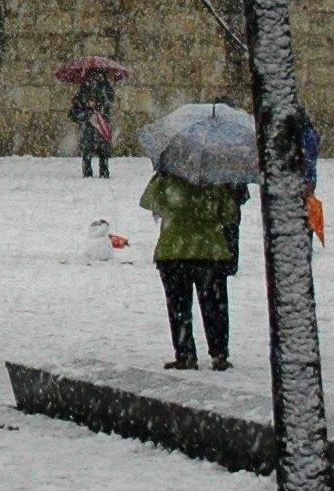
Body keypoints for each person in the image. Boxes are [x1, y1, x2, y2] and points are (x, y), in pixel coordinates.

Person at [139, 167, 242, 370]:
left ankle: (185, 354)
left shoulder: (166, 179)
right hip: (209, 251)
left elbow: (150, 203)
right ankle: (219, 354)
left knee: (179, 307)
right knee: (215, 306)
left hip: (173, 251)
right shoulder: (216, 181)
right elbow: (230, 214)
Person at [71, 74, 118, 179]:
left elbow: (109, 101)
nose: (98, 77)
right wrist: (86, 104)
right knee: (87, 150)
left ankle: (104, 171)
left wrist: (99, 105)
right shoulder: (84, 87)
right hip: (88, 124)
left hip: (102, 123)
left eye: (100, 75)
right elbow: (77, 104)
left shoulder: (106, 87)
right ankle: (88, 174)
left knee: (104, 151)